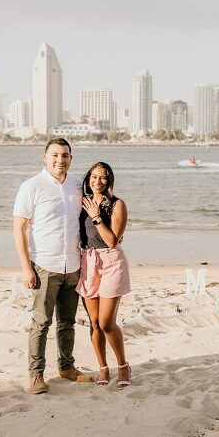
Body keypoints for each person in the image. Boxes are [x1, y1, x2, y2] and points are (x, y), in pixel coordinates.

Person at [13, 138, 94, 395]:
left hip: (73, 265)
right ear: (45, 157)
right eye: (56, 155)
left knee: (67, 322)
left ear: (71, 158)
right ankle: (36, 375)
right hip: (44, 265)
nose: (60, 160)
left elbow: (93, 213)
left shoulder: (77, 185)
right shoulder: (31, 186)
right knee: (41, 322)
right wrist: (26, 268)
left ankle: (67, 367)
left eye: (65, 155)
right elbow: (19, 228)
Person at [77, 162, 132, 389]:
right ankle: (103, 367)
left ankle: (122, 366)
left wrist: (96, 216)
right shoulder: (82, 202)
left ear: (109, 180)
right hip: (88, 261)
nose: (97, 181)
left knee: (107, 323)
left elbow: (112, 241)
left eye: (103, 177)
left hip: (111, 263)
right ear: (88, 178)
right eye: (94, 176)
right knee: (94, 323)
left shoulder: (118, 204)